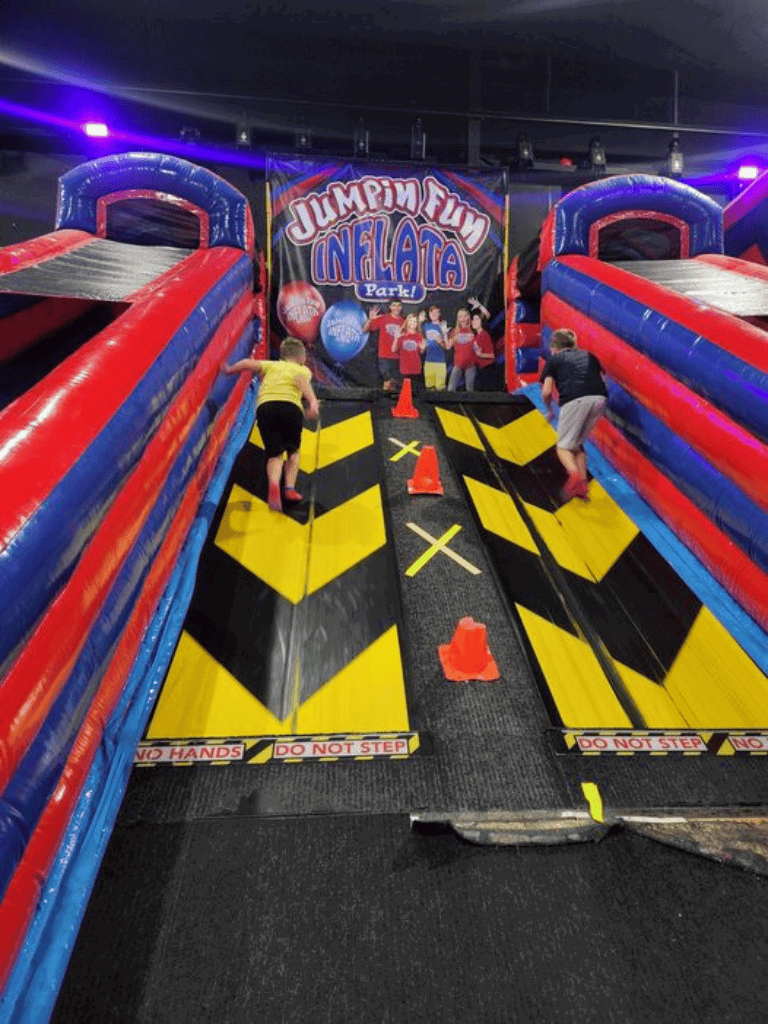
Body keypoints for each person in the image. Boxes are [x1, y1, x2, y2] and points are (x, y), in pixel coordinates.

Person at [224, 336, 319, 513]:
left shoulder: (271, 365)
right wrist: (312, 401)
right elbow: (300, 379)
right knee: (293, 452)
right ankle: (289, 488)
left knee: (274, 454)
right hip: (290, 407)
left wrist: (230, 369)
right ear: (301, 358)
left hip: (265, 407)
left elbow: (248, 363)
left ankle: (274, 484)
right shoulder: (302, 370)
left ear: (282, 355)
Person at [539, 327, 607, 502]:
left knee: (562, 447)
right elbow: (602, 379)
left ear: (554, 348)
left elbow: (547, 391)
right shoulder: (588, 355)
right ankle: (583, 486)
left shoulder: (554, 360)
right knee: (577, 445)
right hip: (600, 398)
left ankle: (574, 474)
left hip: (575, 399)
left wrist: (548, 409)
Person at [362, 299, 404, 391]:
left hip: (398, 358)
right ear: (390, 307)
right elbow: (364, 330)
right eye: (394, 305)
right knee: (387, 383)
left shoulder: (403, 321)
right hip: (384, 356)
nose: (396, 308)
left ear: (401, 307)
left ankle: (393, 399)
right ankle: (385, 399)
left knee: (395, 385)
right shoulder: (383, 318)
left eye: (398, 305)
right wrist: (370, 319)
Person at [392, 312, 426, 386]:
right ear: (407, 322)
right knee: (405, 390)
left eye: (415, 321)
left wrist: (423, 348)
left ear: (417, 324)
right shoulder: (402, 335)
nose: (413, 323)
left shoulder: (419, 336)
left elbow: (421, 352)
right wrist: (395, 338)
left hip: (416, 369)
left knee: (415, 390)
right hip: (404, 369)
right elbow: (393, 350)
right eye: (411, 321)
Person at [419, 304, 449, 390]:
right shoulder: (426, 326)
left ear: (439, 314)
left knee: (440, 389)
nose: (433, 314)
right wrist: (420, 321)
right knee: (430, 388)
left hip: (440, 362)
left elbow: (447, 347)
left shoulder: (443, 326)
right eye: (431, 312)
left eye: (436, 312)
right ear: (429, 314)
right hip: (428, 361)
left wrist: (441, 342)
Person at [446, 308, 476, 390]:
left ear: (468, 317)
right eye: (460, 316)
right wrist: (451, 337)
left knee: (470, 389)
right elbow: (448, 347)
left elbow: (486, 316)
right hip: (458, 364)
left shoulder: (473, 329)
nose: (463, 318)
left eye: (465, 316)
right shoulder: (454, 331)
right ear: (458, 318)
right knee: (451, 388)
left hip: (470, 364)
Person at [470, 311, 496, 390]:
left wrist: (480, 355)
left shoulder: (484, 334)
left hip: (487, 370)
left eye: (477, 319)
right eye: (473, 320)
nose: (474, 322)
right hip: (480, 369)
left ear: (481, 321)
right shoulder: (476, 336)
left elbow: (492, 355)